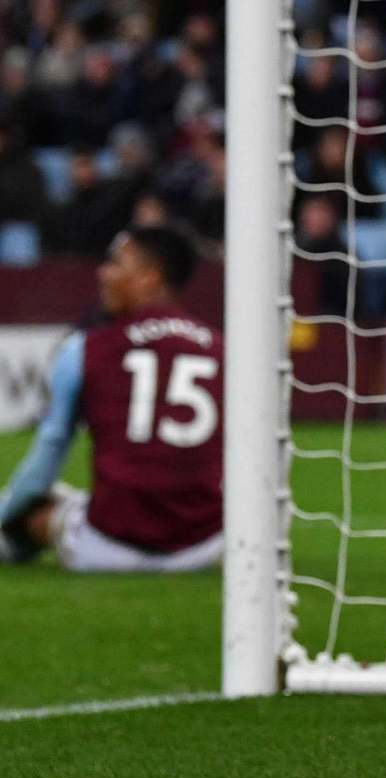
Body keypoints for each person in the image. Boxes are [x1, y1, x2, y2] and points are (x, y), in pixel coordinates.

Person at [0, 225, 223, 573]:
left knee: (34, 505)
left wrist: (6, 513)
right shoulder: (223, 350)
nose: (103, 273)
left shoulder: (84, 348)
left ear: (151, 277)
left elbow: (51, 448)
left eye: (117, 263)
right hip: (203, 547)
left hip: (107, 546)